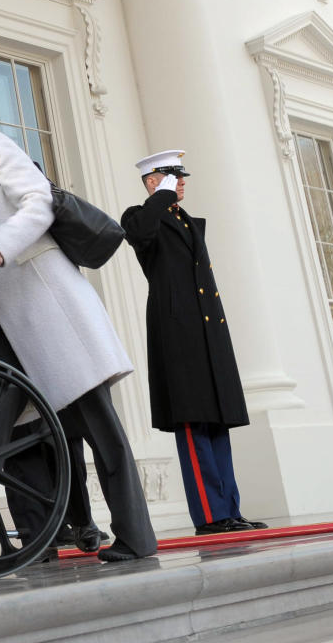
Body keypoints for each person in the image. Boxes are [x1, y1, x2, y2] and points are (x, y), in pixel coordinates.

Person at [0, 98, 157, 563]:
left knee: (101, 430)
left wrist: (2, 243)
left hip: (49, 304)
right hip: (0, 318)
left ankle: (137, 537)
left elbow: (38, 200)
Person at [0, 98, 108, 556]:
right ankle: (35, 532)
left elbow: (36, 219)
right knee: (17, 437)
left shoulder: (4, 159)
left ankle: (80, 521)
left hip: (43, 313)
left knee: (64, 431)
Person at [120, 150, 266, 535]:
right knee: (194, 424)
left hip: (206, 335)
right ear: (152, 181)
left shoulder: (185, 221)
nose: (181, 181)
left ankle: (229, 510)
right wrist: (161, 198)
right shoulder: (140, 216)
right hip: (179, 337)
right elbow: (139, 234)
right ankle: (210, 515)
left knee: (217, 424)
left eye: (180, 176)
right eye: (171, 175)